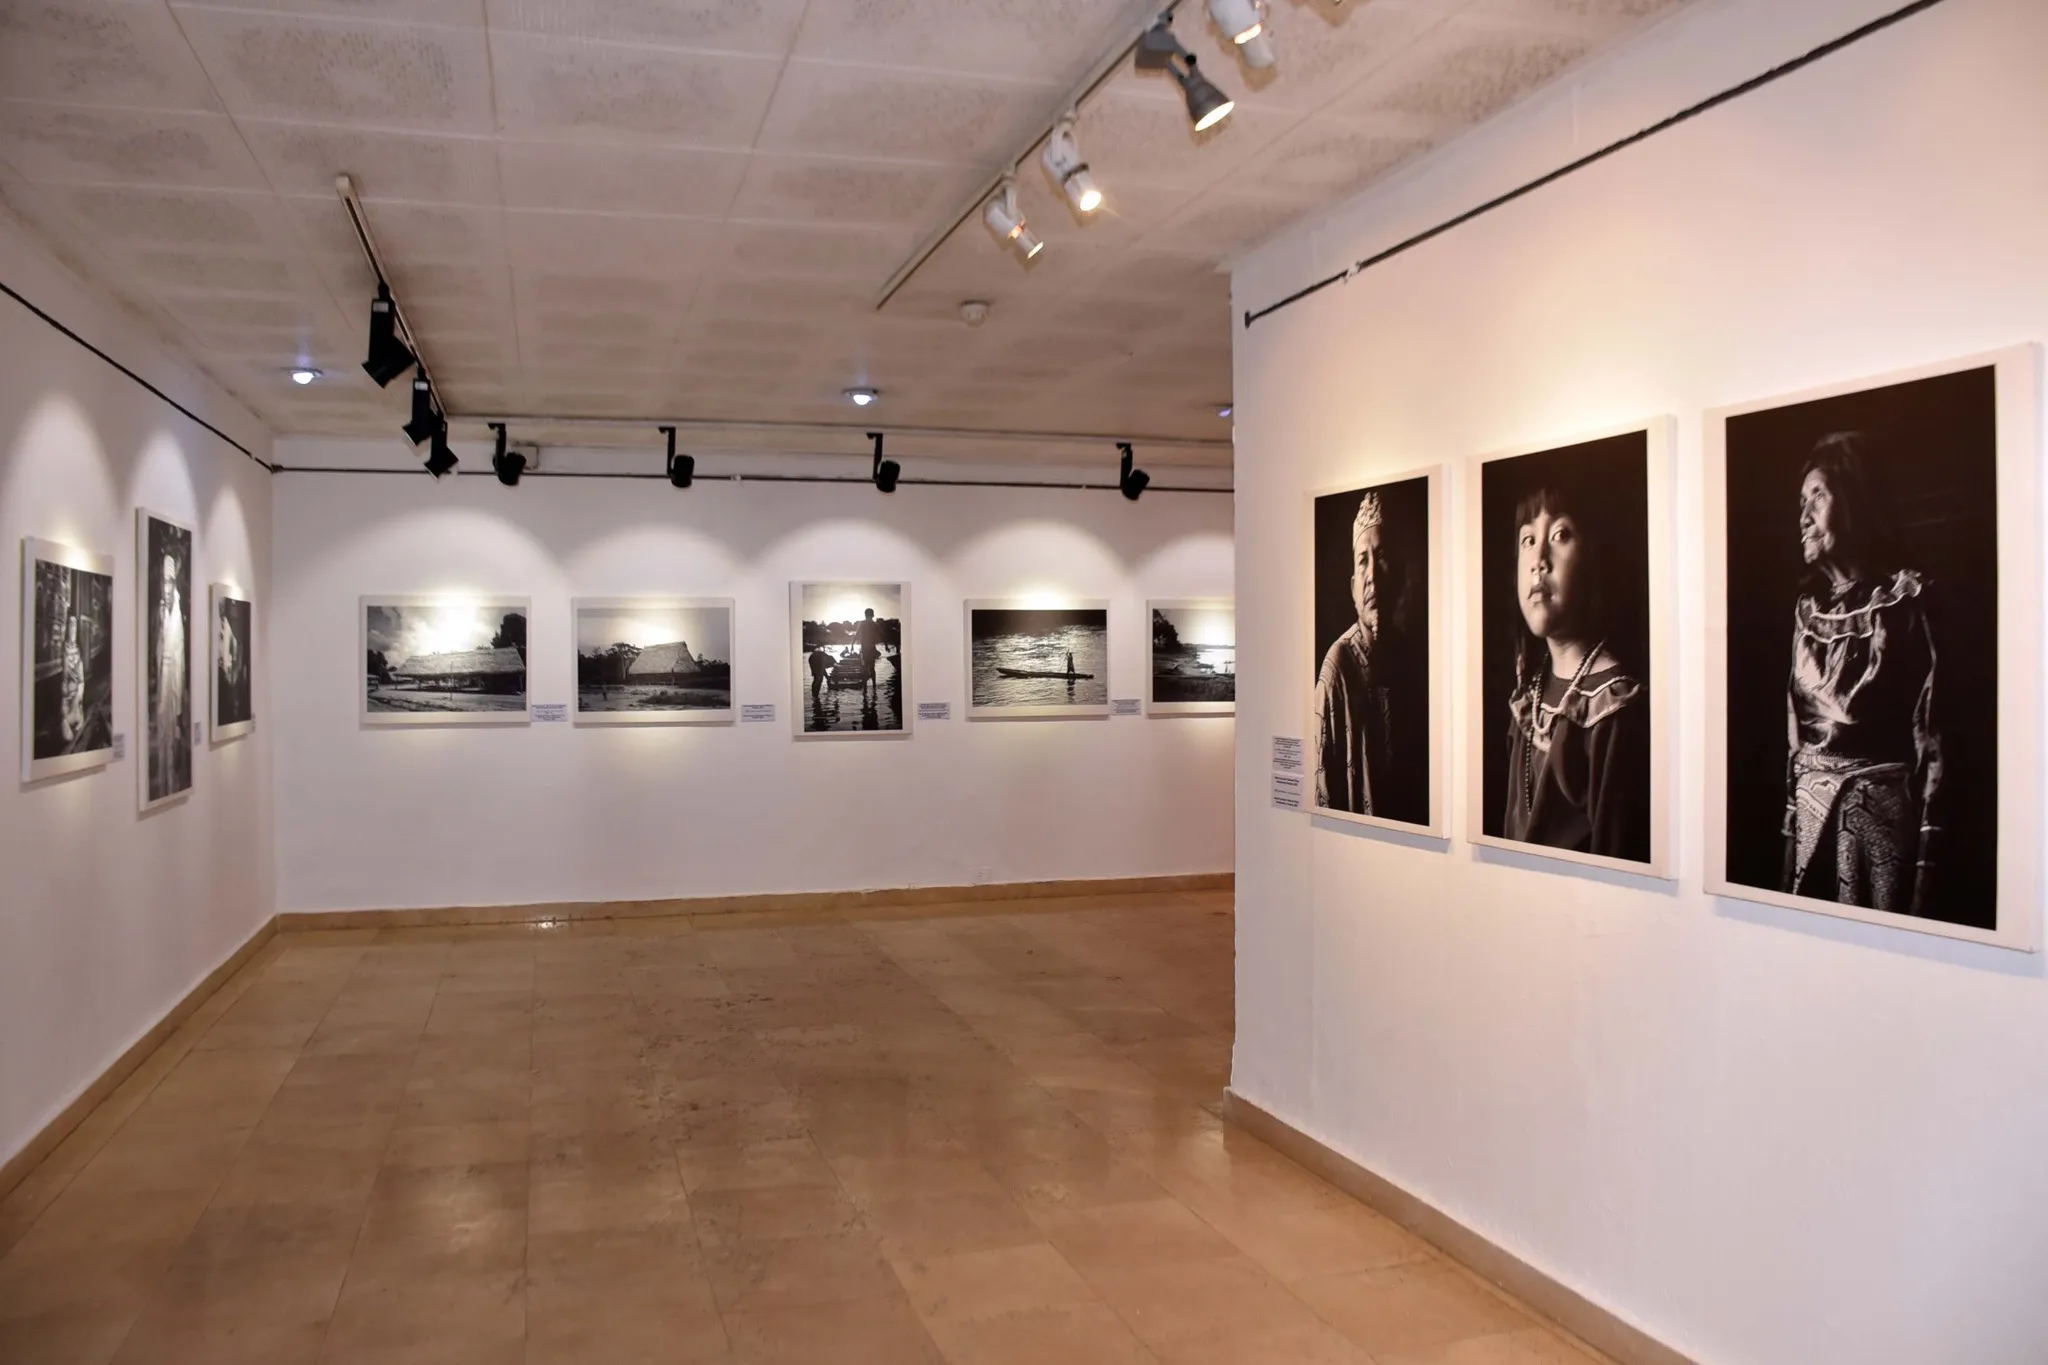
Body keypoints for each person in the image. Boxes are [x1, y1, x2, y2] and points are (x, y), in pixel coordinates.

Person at [1781, 432, 1943, 914]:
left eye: (1818, 497)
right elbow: (1794, 736)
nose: (1804, 517)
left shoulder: (1909, 602)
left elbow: (1936, 737)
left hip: (1880, 832)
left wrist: (1929, 858)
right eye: (1802, 502)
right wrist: (1790, 831)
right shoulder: (1806, 614)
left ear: (1855, 501)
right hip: (1810, 824)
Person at [1501, 481, 1649, 860]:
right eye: (1528, 540)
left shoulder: (1614, 708)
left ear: (1593, 556)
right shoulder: (1529, 698)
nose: (1538, 559)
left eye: (1560, 535)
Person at [1314, 490, 1428, 823]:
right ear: (1353, 587)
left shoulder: (1413, 660)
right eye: (1363, 560)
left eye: (1381, 557)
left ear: (1400, 577)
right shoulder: (1337, 667)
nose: (1373, 575)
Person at [152, 550, 185, 795]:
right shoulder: (160, 612)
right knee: (162, 729)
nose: (166, 588)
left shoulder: (176, 613)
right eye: (163, 582)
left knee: (172, 731)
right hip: (163, 680)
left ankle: (171, 778)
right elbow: (157, 648)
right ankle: (163, 778)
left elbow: (179, 655)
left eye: (169, 582)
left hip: (173, 682)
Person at [60, 614, 85, 745]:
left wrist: (78, 695)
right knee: (67, 732)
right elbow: (64, 677)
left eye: (74, 626)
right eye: (70, 626)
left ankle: (77, 715)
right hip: (67, 693)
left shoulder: (78, 651)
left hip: (75, 692)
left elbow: (81, 679)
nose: (72, 629)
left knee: (76, 716)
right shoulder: (64, 649)